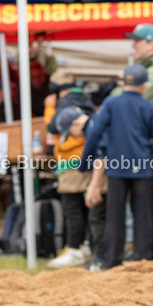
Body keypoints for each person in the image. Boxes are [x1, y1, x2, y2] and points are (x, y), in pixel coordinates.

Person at [80, 64, 153, 270]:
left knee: (115, 216)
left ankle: (112, 260)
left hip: (117, 168)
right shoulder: (149, 107)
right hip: (142, 168)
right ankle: (142, 259)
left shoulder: (111, 103)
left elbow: (95, 133)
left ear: (124, 83)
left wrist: (85, 162)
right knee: (143, 215)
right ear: (144, 85)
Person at [46, 106, 94, 267]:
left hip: (73, 173)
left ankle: (75, 248)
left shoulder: (82, 135)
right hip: (73, 173)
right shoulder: (89, 126)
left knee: (73, 212)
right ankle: (79, 247)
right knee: (79, 212)